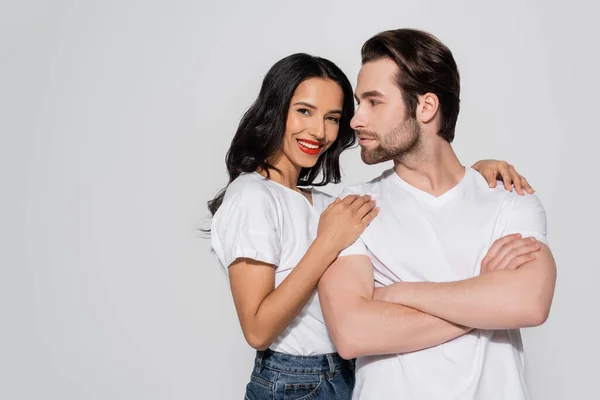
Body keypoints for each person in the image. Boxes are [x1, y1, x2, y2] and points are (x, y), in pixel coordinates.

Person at [207, 53, 533, 400]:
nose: (319, 131)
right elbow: (257, 329)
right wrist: (326, 244)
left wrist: (473, 175)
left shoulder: (320, 200)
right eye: (304, 111)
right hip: (293, 382)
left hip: (347, 375)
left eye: (332, 118)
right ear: (275, 109)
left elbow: (411, 194)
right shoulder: (252, 196)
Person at [318, 29, 557, 400]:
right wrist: (483, 297)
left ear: (426, 107)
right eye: (358, 102)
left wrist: (397, 294)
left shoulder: (508, 198)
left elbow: (529, 302)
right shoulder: (353, 209)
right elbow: (352, 333)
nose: (355, 119)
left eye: (374, 102)